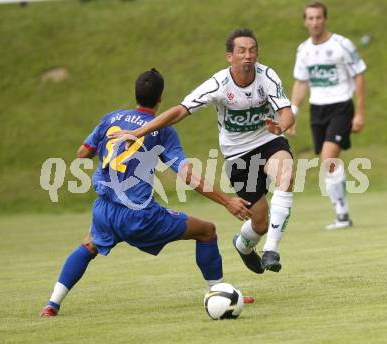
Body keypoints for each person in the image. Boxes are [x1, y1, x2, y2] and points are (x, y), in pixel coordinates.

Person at [40, 69, 252, 317]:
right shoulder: (162, 131)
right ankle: (218, 293)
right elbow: (186, 175)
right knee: (206, 231)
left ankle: (52, 304)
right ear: (160, 98)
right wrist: (226, 201)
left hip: (104, 209)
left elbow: (82, 153)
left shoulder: (112, 118)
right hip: (139, 215)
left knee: (88, 246)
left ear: (136, 94)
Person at [109, 29, 295, 275]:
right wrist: (140, 131)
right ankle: (243, 246)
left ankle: (271, 250)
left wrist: (280, 126)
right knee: (259, 222)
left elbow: (287, 112)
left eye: (252, 50)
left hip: (269, 141)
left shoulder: (267, 76)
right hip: (238, 155)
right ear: (230, 56)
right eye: (241, 51)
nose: (248, 55)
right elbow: (179, 111)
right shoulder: (219, 84)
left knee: (286, 175)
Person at [290, 1, 366, 229]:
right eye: (310, 18)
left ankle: (342, 216)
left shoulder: (342, 45)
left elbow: (359, 76)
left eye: (318, 18)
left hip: (341, 106)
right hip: (317, 110)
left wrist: (359, 113)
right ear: (305, 21)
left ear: (325, 19)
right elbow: (301, 82)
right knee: (328, 163)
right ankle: (342, 214)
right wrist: (292, 113)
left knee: (328, 157)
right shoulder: (303, 50)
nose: (314, 22)